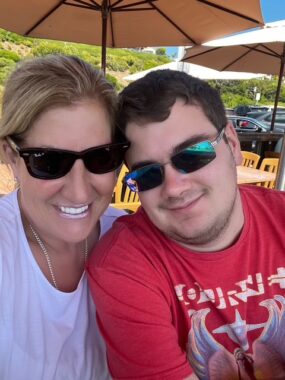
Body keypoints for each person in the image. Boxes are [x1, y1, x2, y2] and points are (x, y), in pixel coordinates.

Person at [87, 70, 285, 379]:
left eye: (193, 155)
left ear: (232, 144)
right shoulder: (124, 264)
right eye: (148, 174)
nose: (175, 188)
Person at [0, 54, 129, 380]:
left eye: (101, 157)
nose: (78, 191)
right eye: (49, 161)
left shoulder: (132, 240)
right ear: (9, 156)